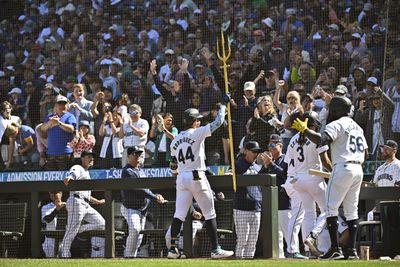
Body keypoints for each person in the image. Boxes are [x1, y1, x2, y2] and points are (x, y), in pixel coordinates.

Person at [292, 96, 368, 260]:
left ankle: (335, 249)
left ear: (335, 110)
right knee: (351, 211)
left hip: (342, 166)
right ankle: (352, 251)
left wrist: (305, 131)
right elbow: (366, 154)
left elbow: (321, 139)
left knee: (330, 208)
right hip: (358, 168)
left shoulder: (337, 123)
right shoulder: (358, 127)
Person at [167, 105, 234, 259]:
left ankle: (172, 249)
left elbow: (173, 165)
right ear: (194, 122)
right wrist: (223, 107)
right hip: (197, 176)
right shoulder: (197, 132)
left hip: (181, 177)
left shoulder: (175, 140)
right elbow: (218, 122)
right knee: (210, 213)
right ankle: (216, 249)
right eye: (197, 120)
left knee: (179, 214)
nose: (199, 122)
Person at [285, 112, 330, 258]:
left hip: (298, 179)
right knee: (328, 209)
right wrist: (335, 172)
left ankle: (310, 251)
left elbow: (289, 162)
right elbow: (325, 161)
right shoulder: (316, 137)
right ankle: (316, 240)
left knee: (309, 214)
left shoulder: (293, 138)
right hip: (314, 177)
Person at [120, 146, 166, 258]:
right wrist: (155, 198)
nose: (138, 157)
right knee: (135, 229)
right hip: (130, 208)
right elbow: (140, 189)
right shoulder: (127, 171)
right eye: (135, 154)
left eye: (139, 154)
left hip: (142, 209)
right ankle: (128, 255)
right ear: (129, 156)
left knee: (139, 235)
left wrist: (156, 195)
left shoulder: (140, 171)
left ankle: (133, 256)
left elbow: (146, 189)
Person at [60, 150, 106, 258]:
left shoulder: (87, 172)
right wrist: (70, 178)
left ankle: (79, 228)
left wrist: (97, 201)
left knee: (103, 224)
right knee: (71, 230)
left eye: (92, 157)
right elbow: (73, 173)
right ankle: (65, 254)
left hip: (85, 204)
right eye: (88, 157)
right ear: (82, 158)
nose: (91, 159)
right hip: (76, 202)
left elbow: (85, 194)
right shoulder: (78, 167)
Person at [258, 134, 291, 258]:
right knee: (276, 235)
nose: (270, 148)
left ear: (280, 145)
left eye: (273, 145)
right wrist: (266, 166)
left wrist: (270, 164)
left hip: (284, 202)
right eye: (268, 146)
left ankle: (294, 254)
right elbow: (260, 177)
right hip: (271, 203)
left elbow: (284, 175)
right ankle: (280, 258)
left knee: (288, 233)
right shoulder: (271, 161)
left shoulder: (286, 158)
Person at [233, 141, 264, 259]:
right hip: (242, 207)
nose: (256, 154)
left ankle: (249, 262)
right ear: (246, 151)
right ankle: (239, 261)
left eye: (257, 152)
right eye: (254, 151)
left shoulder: (256, 165)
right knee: (242, 240)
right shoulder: (238, 164)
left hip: (256, 207)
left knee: (252, 242)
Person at [40, 95, 76, 171]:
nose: (62, 106)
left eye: (64, 104)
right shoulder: (50, 117)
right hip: (51, 153)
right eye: (60, 104)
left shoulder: (70, 116)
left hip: (65, 152)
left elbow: (71, 129)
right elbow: (43, 128)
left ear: (67, 105)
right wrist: (50, 122)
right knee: (51, 178)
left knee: (64, 177)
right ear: (56, 105)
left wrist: (59, 123)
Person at [367, 140, 400, 220]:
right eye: (383, 148)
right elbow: (374, 185)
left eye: (387, 148)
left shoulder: (398, 165)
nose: (384, 150)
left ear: (394, 150)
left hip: (394, 203)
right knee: (370, 215)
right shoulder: (379, 169)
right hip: (380, 204)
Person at [41, 191, 66, 257]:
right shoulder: (45, 207)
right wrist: (57, 209)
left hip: (64, 240)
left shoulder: (68, 205)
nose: (53, 195)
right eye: (52, 193)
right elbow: (47, 220)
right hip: (50, 239)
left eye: (56, 193)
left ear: (61, 194)